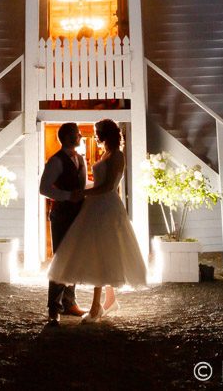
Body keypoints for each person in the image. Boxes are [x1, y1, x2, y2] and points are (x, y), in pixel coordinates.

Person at [47, 118, 148, 321]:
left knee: (104, 252)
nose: (94, 135)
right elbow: (98, 182)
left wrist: (83, 193)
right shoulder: (106, 153)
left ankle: (96, 307)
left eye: (97, 132)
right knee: (97, 252)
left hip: (107, 207)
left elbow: (109, 186)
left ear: (105, 134)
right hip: (95, 205)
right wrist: (82, 189)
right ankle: (105, 301)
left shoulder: (117, 156)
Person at [39, 121, 88, 324]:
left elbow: (83, 185)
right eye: (77, 134)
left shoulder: (80, 159)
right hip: (61, 215)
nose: (80, 137)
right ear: (68, 137)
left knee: (75, 257)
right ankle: (53, 307)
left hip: (79, 214)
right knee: (61, 259)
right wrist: (67, 196)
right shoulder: (56, 161)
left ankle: (70, 302)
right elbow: (44, 188)